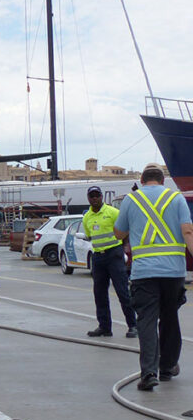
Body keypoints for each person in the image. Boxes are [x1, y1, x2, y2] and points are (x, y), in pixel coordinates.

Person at [113, 164, 193, 390]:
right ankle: (167, 368)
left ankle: (149, 373)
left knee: (147, 321)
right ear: (162, 181)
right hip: (174, 272)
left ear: (142, 180)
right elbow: (188, 231)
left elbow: (119, 233)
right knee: (170, 318)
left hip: (144, 273)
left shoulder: (132, 199)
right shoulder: (176, 199)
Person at [82, 186, 137, 339]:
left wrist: (125, 246)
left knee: (122, 291)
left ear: (101, 197)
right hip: (98, 257)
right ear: (88, 198)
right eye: (91, 196)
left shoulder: (113, 212)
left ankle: (133, 325)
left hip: (114, 255)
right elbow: (89, 235)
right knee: (99, 293)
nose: (94, 198)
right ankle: (104, 327)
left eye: (97, 195)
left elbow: (125, 229)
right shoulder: (87, 217)